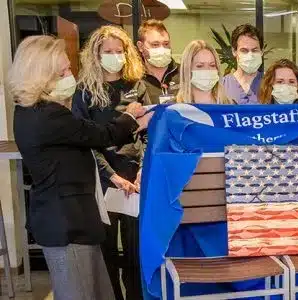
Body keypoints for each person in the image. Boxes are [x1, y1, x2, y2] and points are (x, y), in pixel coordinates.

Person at [9, 35, 151, 300]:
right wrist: (132, 117)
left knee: (97, 291)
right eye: (62, 72)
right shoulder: (49, 115)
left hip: (72, 222)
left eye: (68, 70)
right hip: (67, 226)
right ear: (41, 75)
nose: (68, 76)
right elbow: (99, 135)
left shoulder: (29, 111)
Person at [71, 25, 148, 300]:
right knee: (106, 252)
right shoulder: (84, 92)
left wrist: (142, 170)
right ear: (96, 54)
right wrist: (111, 176)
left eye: (119, 51)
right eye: (108, 52)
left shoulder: (136, 86)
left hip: (136, 179)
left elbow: (150, 132)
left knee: (135, 251)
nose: (114, 56)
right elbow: (84, 140)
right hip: (103, 180)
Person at [137, 19, 180, 104]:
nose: (162, 49)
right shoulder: (134, 78)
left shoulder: (184, 73)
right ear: (140, 46)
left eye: (166, 44)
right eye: (155, 45)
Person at [176, 40, 231, 104]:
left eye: (212, 65)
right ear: (187, 70)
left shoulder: (229, 105)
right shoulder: (171, 108)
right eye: (200, 66)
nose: (207, 70)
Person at [221, 24, 264, 104]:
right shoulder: (222, 86)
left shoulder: (269, 83)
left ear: (262, 51)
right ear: (234, 51)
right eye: (244, 50)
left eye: (255, 50)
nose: (250, 55)